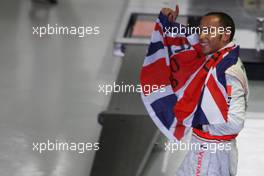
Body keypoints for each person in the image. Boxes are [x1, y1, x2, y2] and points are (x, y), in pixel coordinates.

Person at [161, 5, 249, 176]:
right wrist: (168, 25)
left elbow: (235, 122)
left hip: (211, 154)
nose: (201, 36)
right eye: (201, 30)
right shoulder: (216, 60)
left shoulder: (227, 70)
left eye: (209, 31)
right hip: (205, 148)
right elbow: (186, 47)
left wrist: (198, 118)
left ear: (225, 36)